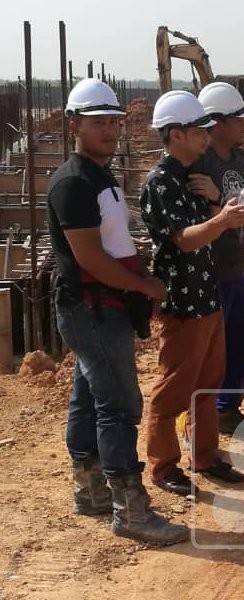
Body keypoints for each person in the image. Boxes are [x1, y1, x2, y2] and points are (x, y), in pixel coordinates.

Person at [48, 78, 187, 544]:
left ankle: (90, 490)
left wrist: (137, 282)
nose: (109, 131)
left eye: (113, 122)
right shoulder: (73, 183)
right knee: (120, 404)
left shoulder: (99, 176)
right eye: (98, 123)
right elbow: (90, 258)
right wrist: (145, 285)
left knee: (88, 397)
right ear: (74, 125)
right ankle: (131, 510)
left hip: (102, 306)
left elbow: (113, 244)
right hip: (91, 309)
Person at [140, 90, 244, 497]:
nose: (206, 136)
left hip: (206, 292)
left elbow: (207, 227)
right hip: (183, 300)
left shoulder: (190, 178)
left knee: (207, 382)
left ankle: (204, 457)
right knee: (174, 386)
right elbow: (184, 239)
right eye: (199, 130)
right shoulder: (161, 182)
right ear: (176, 135)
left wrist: (220, 210)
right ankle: (163, 465)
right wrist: (222, 220)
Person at [190, 82, 244, 435]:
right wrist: (219, 204)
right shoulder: (199, 163)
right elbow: (197, 218)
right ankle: (199, 419)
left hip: (238, 262)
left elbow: (243, 206)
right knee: (209, 351)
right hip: (211, 270)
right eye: (238, 119)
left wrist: (220, 200)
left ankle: (227, 409)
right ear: (217, 123)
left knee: (243, 342)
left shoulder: (239, 158)